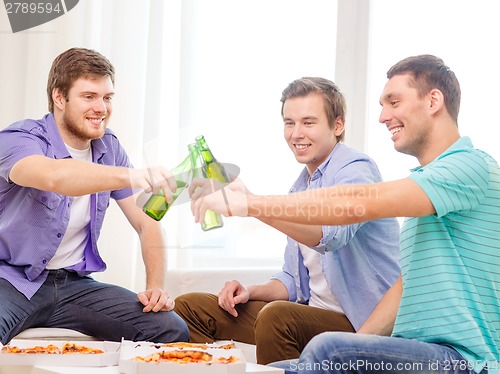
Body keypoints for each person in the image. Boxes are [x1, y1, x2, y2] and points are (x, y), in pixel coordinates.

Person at [190, 55, 500, 373]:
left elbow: (354, 204)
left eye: (394, 102)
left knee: (326, 349)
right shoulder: (427, 196)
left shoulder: (470, 166)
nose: (383, 116)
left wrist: (250, 203)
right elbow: (403, 286)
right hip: (416, 350)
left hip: (467, 361)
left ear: (434, 100)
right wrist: (358, 349)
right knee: (279, 369)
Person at [176, 77, 400, 364]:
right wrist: (250, 290)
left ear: (337, 125)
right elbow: (293, 280)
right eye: (289, 122)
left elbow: (329, 236)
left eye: (308, 122)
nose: (296, 134)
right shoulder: (300, 187)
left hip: (359, 324)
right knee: (191, 308)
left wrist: (251, 206)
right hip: (311, 315)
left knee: (278, 316)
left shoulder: (356, 169)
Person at [0, 47, 189, 344]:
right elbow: (55, 176)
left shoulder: (109, 148)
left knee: (169, 328)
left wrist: (155, 287)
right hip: (10, 281)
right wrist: (131, 174)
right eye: (89, 97)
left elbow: (148, 221)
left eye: (107, 97)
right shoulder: (20, 140)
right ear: (59, 98)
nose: (101, 108)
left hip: (74, 287)